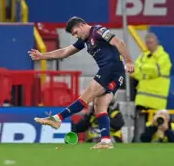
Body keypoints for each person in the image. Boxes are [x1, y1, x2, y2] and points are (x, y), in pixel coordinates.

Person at [28, 16, 135, 150]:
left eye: (75, 32)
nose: (75, 36)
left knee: (87, 95)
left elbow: (119, 43)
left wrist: (129, 61)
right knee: (99, 105)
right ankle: (106, 140)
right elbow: (65, 52)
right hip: (115, 74)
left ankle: (58, 118)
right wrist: (43, 56)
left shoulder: (98, 31)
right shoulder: (84, 40)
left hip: (111, 69)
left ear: (81, 25)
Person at [131, 32, 172, 141]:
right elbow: (135, 71)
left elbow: (156, 70)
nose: (149, 45)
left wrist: (142, 69)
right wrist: (146, 71)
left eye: (151, 42)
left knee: (156, 129)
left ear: (157, 42)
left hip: (157, 102)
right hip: (142, 100)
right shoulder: (143, 56)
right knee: (140, 131)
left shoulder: (164, 57)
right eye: (147, 42)